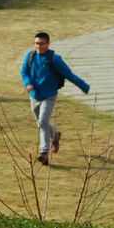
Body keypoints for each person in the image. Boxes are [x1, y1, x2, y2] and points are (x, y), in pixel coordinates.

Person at [20, 31, 90, 166]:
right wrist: (27, 83)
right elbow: (24, 72)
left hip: (49, 96)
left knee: (42, 121)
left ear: (48, 44)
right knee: (42, 123)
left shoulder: (55, 59)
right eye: (36, 43)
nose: (38, 46)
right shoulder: (30, 56)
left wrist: (84, 87)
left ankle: (44, 152)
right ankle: (55, 135)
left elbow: (69, 75)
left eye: (41, 43)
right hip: (34, 96)